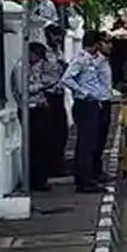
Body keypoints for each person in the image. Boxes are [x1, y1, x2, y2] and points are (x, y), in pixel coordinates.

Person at [62, 31, 114, 193]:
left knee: (90, 143)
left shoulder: (92, 60)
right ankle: (85, 181)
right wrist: (83, 92)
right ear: (96, 44)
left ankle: (87, 177)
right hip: (85, 104)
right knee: (86, 144)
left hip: (93, 104)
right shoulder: (81, 59)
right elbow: (66, 78)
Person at [12, 42, 53, 191]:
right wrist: (42, 86)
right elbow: (23, 90)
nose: (38, 61)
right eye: (37, 56)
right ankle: (33, 180)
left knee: (42, 146)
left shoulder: (33, 66)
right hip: (29, 110)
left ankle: (40, 178)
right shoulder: (21, 67)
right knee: (33, 147)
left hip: (39, 109)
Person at [43, 25, 69, 177]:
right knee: (49, 133)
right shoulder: (44, 53)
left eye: (60, 36)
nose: (58, 39)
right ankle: (50, 166)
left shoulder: (59, 51)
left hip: (59, 94)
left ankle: (58, 163)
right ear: (48, 35)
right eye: (56, 36)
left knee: (61, 131)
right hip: (48, 95)